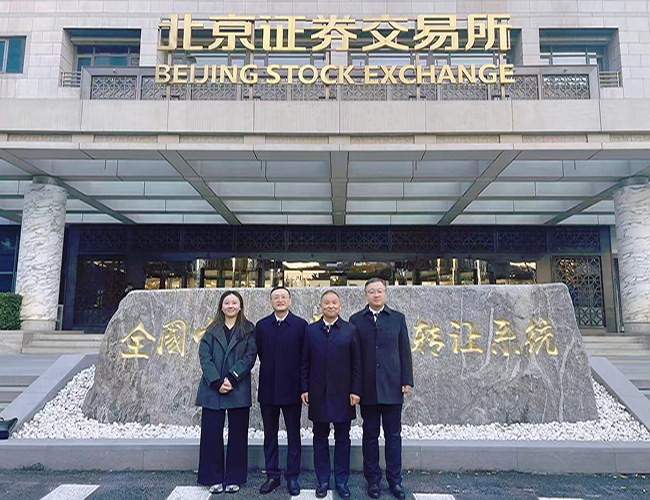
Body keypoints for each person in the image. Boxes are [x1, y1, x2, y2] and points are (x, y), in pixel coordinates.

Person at [350, 277, 414, 500]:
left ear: (385, 293)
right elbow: (354, 356)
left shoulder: (397, 318)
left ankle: (395, 481)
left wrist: (406, 379)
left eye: (379, 291)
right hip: (367, 388)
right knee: (370, 436)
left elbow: (404, 350)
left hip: (392, 386)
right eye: (372, 291)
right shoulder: (356, 320)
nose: (376, 295)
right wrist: (354, 387)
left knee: (393, 436)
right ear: (366, 295)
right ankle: (373, 480)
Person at [301, 290, 361, 499]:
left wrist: (356, 390)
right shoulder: (311, 330)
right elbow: (305, 362)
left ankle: (342, 481)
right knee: (320, 438)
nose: (331, 306)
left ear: (340, 306)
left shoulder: (350, 330)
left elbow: (357, 363)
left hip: (343, 394)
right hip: (318, 393)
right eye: (326, 303)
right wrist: (304, 388)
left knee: (343, 438)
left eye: (334, 302)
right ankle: (323, 480)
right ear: (321, 306)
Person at [196, 290, 257, 495]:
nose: (231, 306)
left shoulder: (248, 329)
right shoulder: (211, 330)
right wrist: (216, 381)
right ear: (221, 307)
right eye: (227, 303)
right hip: (212, 389)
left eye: (234, 303)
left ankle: (234, 477)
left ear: (240, 307)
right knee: (211, 435)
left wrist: (232, 378)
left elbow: (250, 356)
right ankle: (212, 477)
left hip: (237, 387)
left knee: (238, 435)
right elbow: (205, 358)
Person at [256, 286, 307, 496]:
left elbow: (304, 359)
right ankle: (272, 475)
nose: (280, 300)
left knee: (293, 435)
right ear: (271, 302)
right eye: (276, 297)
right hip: (268, 389)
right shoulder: (262, 326)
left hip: (292, 390)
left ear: (290, 300)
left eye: (283, 297)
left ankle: (292, 476)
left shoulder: (301, 325)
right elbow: (260, 353)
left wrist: (304, 387)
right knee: (270, 435)